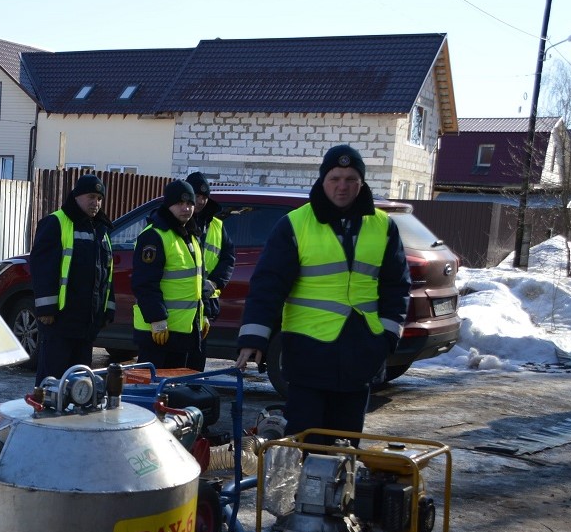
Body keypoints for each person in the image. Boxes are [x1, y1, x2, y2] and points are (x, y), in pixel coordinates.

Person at [233, 145, 410, 444]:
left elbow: (397, 285)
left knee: (345, 447)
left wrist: (388, 337)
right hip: (308, 354)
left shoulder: (383, 226)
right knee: (305, 443)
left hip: (361, 352)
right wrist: (254, 338)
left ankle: (342, 491)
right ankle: (304, 493)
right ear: (322, 180)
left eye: (351, 179)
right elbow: (268, 284)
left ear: (362, 182)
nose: (342, 186)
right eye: (335, 178)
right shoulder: (295, 224)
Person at [28, 173, 115, 385]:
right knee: (52, 380)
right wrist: (47, 309)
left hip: (86, 322)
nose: (96, 203)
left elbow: (106, 273)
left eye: (99, 198)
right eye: (91, 197)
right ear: (77, 196)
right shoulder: (56, 222)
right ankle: (45, 416)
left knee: (78, 383)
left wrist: (108, 309)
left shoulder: (101, 229)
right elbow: (43, 268)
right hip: (60, 319)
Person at [131, 179, 210, 370]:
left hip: (182, 331)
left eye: (190, 203)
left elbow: (199, 280)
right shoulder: (155, 236)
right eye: (180, 203)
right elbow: (145, 283)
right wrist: (157, 318)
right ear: (168, 205)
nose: (186, 208)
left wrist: (204, 314)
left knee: (173, 392)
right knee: (150, 391)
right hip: (158, 332)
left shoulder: (190, 235)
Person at [185, 172, 236, 371]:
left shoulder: (216, 226)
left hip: (204, 302)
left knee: (197, 357)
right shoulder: (175, 221)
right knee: (175, 362)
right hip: (179, 302)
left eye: (204, 197)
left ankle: (194, 395)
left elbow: (228, 258)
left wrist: (214, 282)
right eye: (196, 196)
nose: (201, 201)